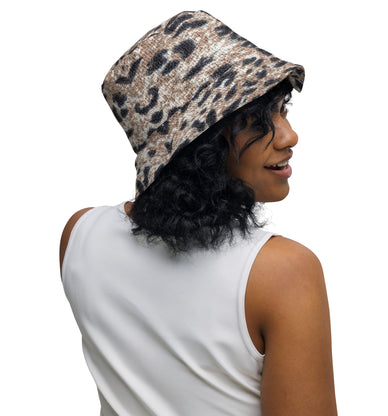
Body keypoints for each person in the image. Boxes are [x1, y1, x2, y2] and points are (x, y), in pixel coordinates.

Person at [59, 10, 338, 416]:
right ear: (200, 146)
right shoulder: (284, 272)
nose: (289, 136)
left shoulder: (80, 235)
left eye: (283, 110)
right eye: (257, 121)